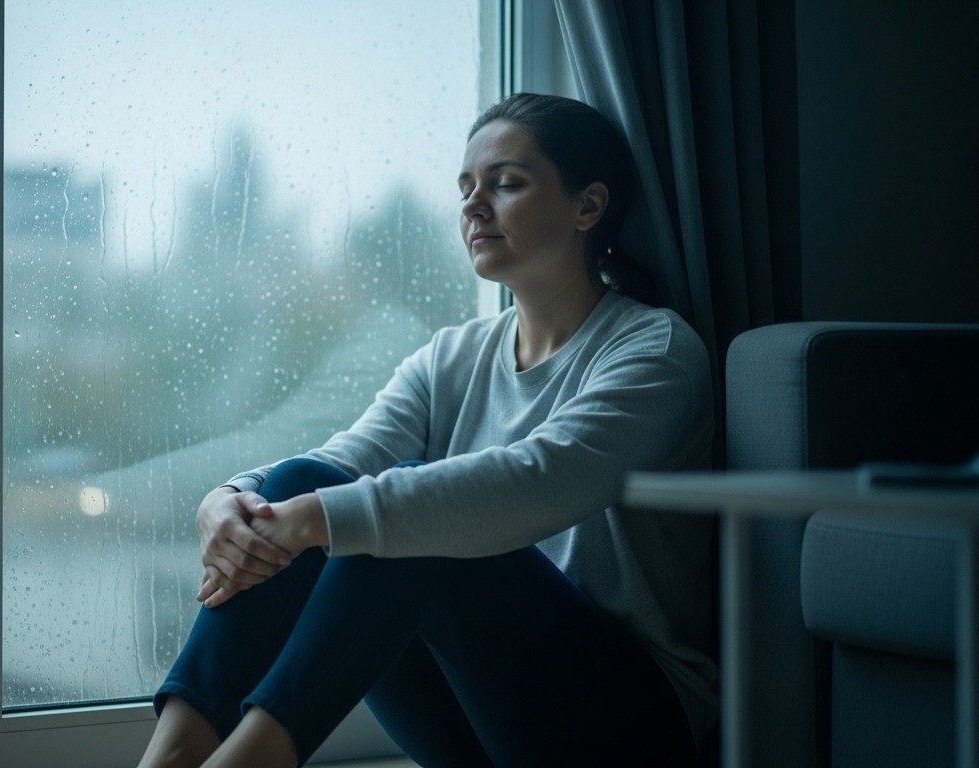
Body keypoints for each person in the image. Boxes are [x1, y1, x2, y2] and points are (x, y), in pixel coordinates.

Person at [136, 92, 717, 768]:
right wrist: (230, 496)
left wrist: (309, 522)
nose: (473, 207)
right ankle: (170, 757)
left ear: (587, 207)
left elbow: (538, 480)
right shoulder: (452, 356)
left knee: (416, 520)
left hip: (629, 726)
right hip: (482, 724)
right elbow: (340, 462)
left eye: (505, 184)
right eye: (467, 188)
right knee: (302, 482)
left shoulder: (653, 351)